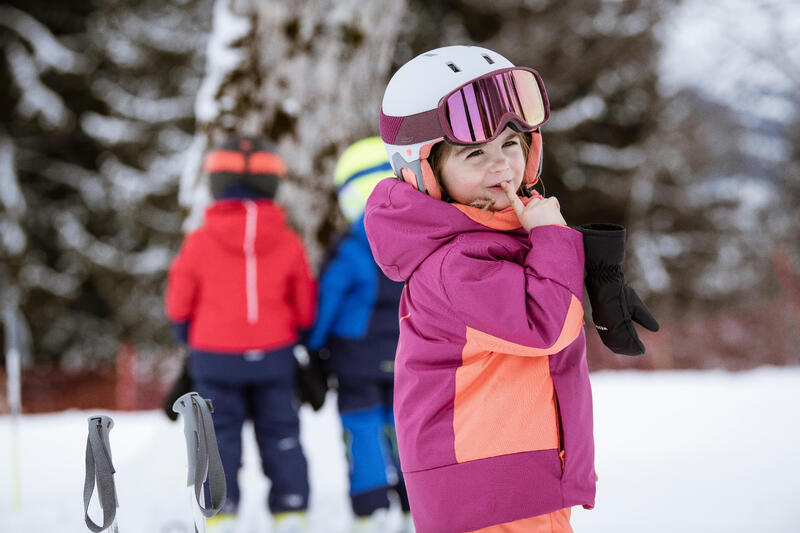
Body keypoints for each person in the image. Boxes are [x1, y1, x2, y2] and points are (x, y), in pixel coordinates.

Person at [364, 45, 594, 533]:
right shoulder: (454, 264)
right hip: (492, 495)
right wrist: (552, 237)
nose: (502, 166)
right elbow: (546, 324)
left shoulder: (486, 242)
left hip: (508, 484)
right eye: (475, 154)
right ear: (424, 173)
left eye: (510, 144)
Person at [165, 135, 316, 533]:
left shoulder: (199, 242)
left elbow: (179, 302)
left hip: (214, 356)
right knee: (281, 433)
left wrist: (187, 334)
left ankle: (221, 512)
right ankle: (291, 509)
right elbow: (304, 303)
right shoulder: (287, 240)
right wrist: (300, 334)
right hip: (275, 355)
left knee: (217, 436)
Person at [305, 136, 413, 533]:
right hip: (407, 353)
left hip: (355, 358)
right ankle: (412, 502)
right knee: (405, 426)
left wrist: (313, 346)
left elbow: (327, 302)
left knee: (362, 427)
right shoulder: (416, 240)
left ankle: (370, 509)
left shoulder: (350, 247)